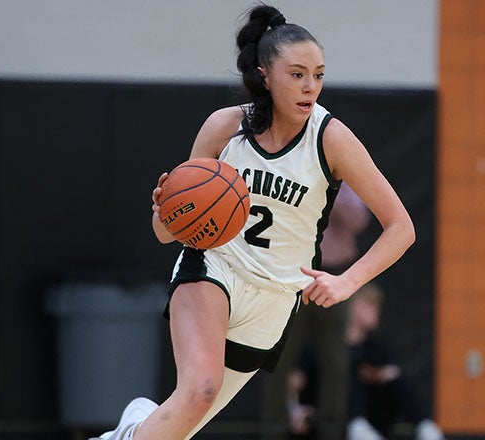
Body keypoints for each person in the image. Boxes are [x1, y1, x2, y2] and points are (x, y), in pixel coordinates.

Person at [92, 5, 414, 440]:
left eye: (318, 74)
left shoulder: (331, 137)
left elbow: (401, 226)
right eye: (297, 74)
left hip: (277, 297)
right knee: (199, 391)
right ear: (265, 75)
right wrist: (165, 211)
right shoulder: (225, 128)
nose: (310, 87)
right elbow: (165, 234)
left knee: (185, 423)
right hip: (214, 268)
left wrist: (347, 282)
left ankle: (129, 430)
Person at [262, 182, 371, 440]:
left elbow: (359, 221)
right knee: (277, 356)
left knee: (335, 360)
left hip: (336, 274)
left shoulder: (347, 179)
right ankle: (273, 430)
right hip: (292, 275)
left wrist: (332, 192)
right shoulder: (295, 173)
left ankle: (331, 431)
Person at [286, 283, 444, 440]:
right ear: (355, 307)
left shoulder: (378, 348)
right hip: (331, 416)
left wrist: (383, 375)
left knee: (396, 377)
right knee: (346, 375)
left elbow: (392, 379)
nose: (377, 312)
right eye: (371, 306)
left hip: (373, 416)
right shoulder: (321, 348)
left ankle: (425, 427)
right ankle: (357, 427)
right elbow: (295, 383)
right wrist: (295, 409)